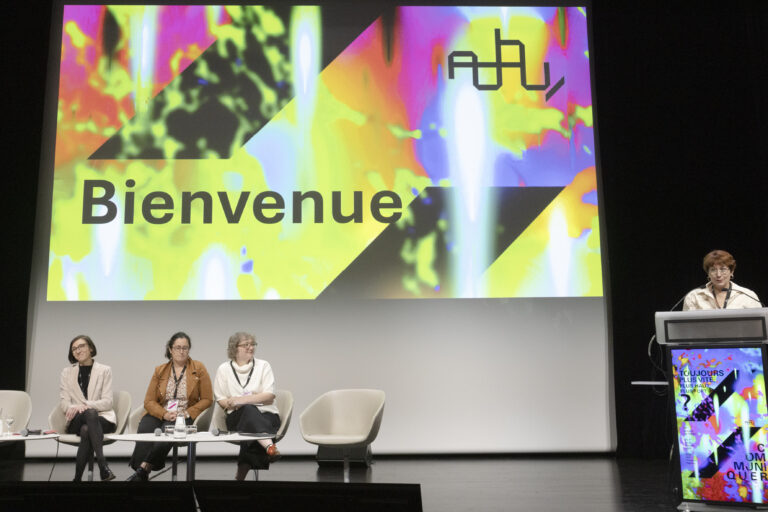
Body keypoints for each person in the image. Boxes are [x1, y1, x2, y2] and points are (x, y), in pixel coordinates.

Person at [126, 332, 212, 481]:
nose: (181, 351)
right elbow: (149, 401)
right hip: (161, 412)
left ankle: (143, 469)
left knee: (168, 431)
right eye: (178, 347)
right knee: (145, 428)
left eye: (185, 348)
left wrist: (186, 413)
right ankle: (141, 472)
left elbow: (207, 399)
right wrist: (164, 414)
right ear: (170, 349)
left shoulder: (199, 368)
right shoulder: (160, 370)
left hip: (183, 415)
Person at [214, 332, 281, 480]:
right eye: (246, 345)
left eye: (252, 344)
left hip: (267, 415)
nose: (251, 347)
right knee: (248, 411)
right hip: (236, 417)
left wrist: (241, 400)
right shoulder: (224, 369)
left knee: (249, 427)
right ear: (234, 348)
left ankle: (240, 478)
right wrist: (239, 403)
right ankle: (269, 446)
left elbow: (269, 395)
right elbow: (221, 400)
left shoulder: (263, 365)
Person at [59, 335, 116, 481]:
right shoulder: (67, 373)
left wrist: (85, 405)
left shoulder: (105, 370)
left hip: (102, 418)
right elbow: (64, 404)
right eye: (74, 349)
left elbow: (108, 402)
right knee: (89, 416)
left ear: (91, 348)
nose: (78, 351)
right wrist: (76, 407)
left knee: (86, 429)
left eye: (81, 346)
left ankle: (77, 479)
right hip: (77, 419)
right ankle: (103, 465)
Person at [683, 250, 761, 310]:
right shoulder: (694, 297)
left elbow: (759, 324)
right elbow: (687, 325)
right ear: (708, 273)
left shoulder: (748, 296)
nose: (718, 275)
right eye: (713, 270)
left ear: (731, 272)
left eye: (723, 269)